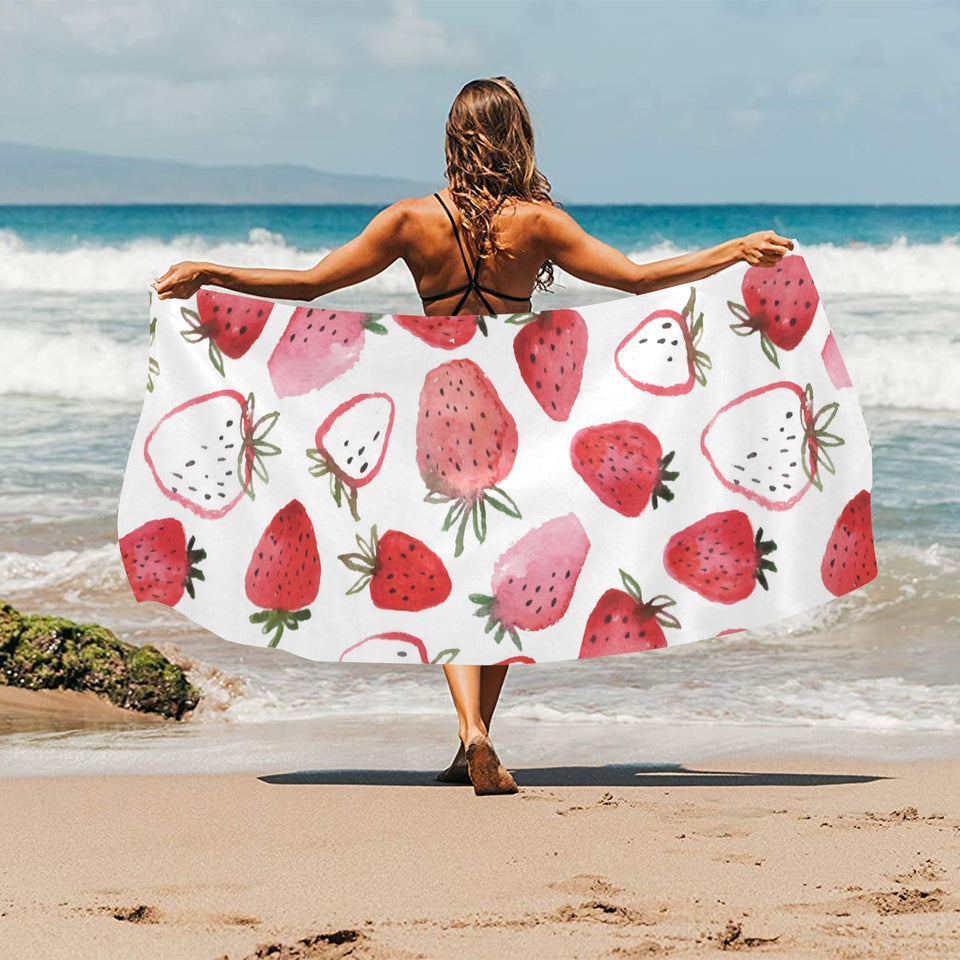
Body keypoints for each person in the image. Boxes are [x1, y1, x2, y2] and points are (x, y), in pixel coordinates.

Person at [153, 76, 794, 796]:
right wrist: (735, 250)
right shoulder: (538, 223)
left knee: (461, 576)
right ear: (517, 136)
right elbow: (638, 281)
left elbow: (309, 286)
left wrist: (212, 271)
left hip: (435, 404)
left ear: (455, 136)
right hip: (514, 411)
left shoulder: (407, 220)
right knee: (501, 576)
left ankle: (471, 737)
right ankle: (477, 735)